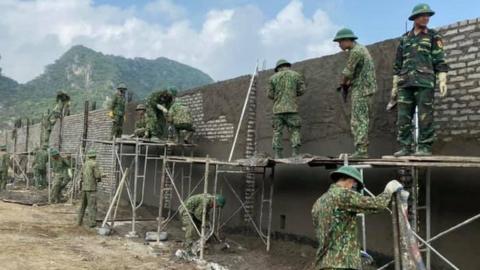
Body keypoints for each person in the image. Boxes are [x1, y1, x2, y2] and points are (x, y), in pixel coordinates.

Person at [311, 166, 403, 269]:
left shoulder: (318, 203)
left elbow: (329, 232)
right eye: (354, 187)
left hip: (324, 263)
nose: (353, 191)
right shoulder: (343, 195)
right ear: (351, 181)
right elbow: (377, 205)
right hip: (343, 264)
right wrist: (388, 190)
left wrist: (353, 250)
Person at [389, 3, 449, 156]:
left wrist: (442, 78)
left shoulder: (433, 36)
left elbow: (439, 59)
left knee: (425, 116)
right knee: (403, 117)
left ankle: (424, 147)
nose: (426, 18)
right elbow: (397, 64)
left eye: (428, 15)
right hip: (405, 83)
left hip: (424, 81)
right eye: (423, 15)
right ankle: (405, 147)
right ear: (415, 18)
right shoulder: (404, 39)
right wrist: (395, 86)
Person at [334, 28, 377, 159]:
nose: (339, 44)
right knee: (361, 119)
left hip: (362, 89)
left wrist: (343, 84)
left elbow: (347, 72)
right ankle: (361, 148)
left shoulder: (356, 52)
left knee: (358, 120)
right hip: (365, 88)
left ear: (347, 40)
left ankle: (361, 151)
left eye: (340, 41)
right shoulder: (361, 49)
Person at [268, 59, 306, 158]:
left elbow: (270, 95)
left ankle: (277, 154)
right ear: (287, 66)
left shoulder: (272, 78)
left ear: (278, 68)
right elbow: (302, 90)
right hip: (292, 109)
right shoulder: (296, 75)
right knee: (295, 131)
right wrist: (292, 93)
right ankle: (295, 153)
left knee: (277, 132)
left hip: (277, 110)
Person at [77, 150, 102, 228]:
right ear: (95, 156)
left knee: (82, 205)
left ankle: (79, 221)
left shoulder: (85, 164)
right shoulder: (94, 163)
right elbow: (97, 175)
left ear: (88, 156)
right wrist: (101, 176)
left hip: (85, 187)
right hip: (91, 188)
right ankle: (92, 223)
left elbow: (81, 175)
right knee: (92, 206)